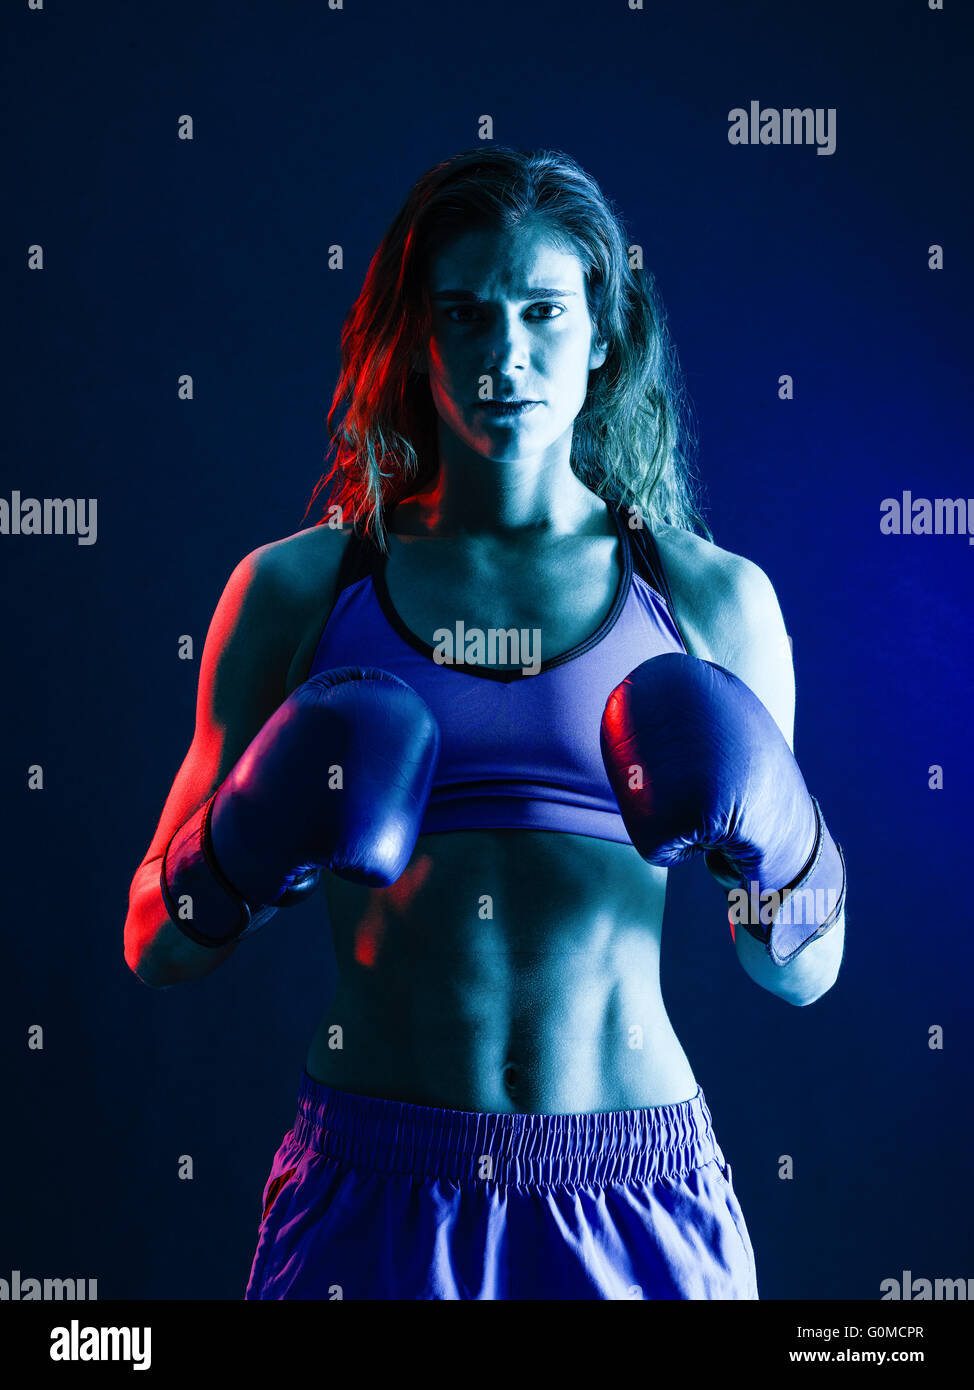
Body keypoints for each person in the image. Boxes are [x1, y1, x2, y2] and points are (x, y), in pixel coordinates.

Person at [124, 146, 846, 1301]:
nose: (504, 356)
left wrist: (783, 842)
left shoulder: (710, 599)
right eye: (463, 314)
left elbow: (804, 969)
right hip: (373, 1190)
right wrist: (243, 845)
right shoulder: (298, 592)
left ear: (603, 333)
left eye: (543, 313)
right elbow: (155, 941)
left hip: (635, 1189)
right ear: (418, 340)